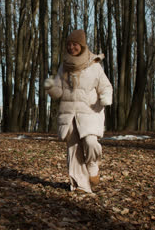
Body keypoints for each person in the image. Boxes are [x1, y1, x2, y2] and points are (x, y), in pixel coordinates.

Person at [44, 29, 113, 193]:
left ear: (82, 45)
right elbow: (59, 92)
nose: (71, 47)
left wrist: (105, 97)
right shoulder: (64, 66)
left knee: (90, 142)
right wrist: (51, 87)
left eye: (75, 44)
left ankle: (93, 165)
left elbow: (105, 85)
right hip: (69, 114)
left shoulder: (94, 66)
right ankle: (80, 185)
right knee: (73, 150)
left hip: (89, 112)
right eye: (69, 45)